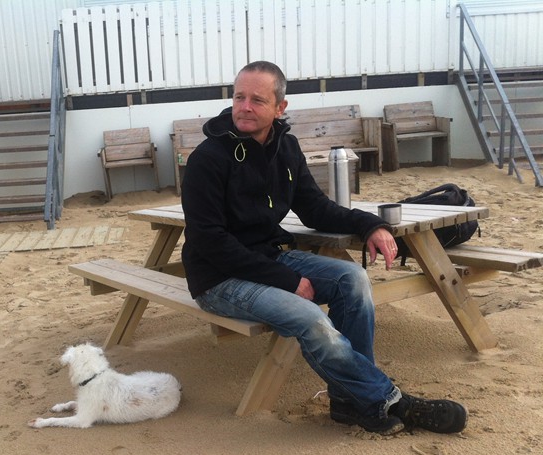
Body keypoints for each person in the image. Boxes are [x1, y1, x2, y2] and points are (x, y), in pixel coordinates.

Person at [180, 60, 467, 435]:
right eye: (239, 97)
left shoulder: (286, 147)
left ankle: (348, 402)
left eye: (257, 100)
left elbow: (315, 208)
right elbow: (209, 241)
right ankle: (388, 400)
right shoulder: (207, 159)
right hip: (218, 278)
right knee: (309, 317)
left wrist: (370, 225)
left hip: (268, 257)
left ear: (280, 107)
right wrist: (286, 280)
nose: (244, 107)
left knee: (353, 278)